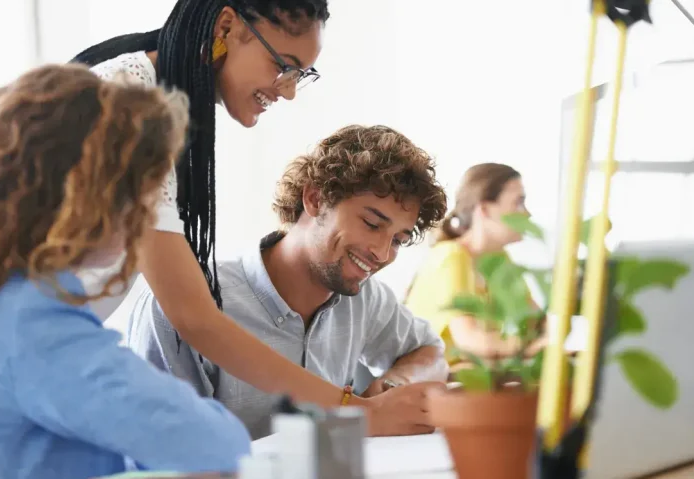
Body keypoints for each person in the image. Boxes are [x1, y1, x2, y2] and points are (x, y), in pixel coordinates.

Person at [72, 0, 442, 431]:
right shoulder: (129, 101)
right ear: (228, 26)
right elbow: (193, 318)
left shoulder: (157, 109)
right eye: (282, 65)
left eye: (299, 76)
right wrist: (358, 412)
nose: (286, 90)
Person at [0, 65, 250, 479]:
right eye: (143, 188)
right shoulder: (31, 319)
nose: (149, 207)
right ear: (92, 194)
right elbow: (215, 443)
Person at [127, 125, 450, 439]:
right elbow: (164, 451)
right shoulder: (187, 301)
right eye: (371, 224)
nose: (382, 253)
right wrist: (365, 414)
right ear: (314, 199)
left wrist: (392, 390)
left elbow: (429, 352)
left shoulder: (365, 299)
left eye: (397, 240)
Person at [405, 163, 544, 361]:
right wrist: (536, 347)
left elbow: (536, 322)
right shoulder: (452, 257)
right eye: (518, 202)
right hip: (426, 379)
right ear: (485, 209)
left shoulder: (499, 260)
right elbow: (471, 341)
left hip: (463, 378)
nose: (527, 214)